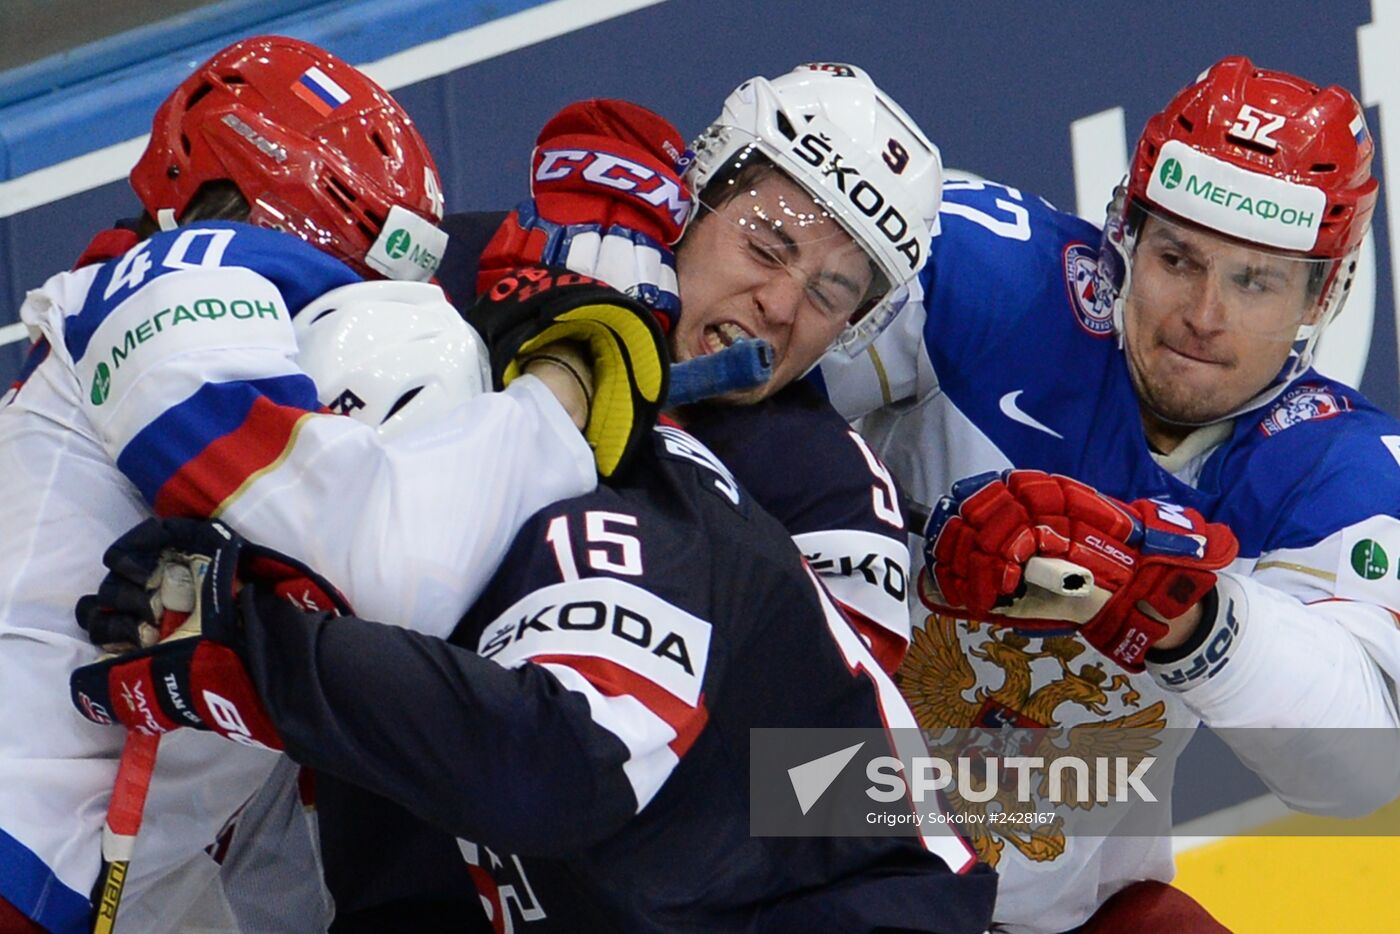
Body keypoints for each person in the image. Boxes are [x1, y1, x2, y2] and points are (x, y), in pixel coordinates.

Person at [67, 269, 998, 933]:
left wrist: (267, 659)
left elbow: (555, 765)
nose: (318, 577)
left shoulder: (614, 509)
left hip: (862, 889)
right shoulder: (387, 641)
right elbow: (411, 897)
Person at [0, 35, 663, 934]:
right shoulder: (178, 289)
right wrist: (559, 394)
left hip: (104, 867)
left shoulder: (802, 473)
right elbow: (383, 576)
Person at [817, 55, 1400, 932]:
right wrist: (907, 543)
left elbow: (1360, 771)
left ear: (1324, 294)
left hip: (1047, 907)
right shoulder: (982, 277)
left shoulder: (1337, 470)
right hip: (801, 832)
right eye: (1179, 258)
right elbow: (732, 414)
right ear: (1124, 232)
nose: (1204, 315)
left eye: (1255, 281)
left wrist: (1182, 614)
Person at [439, 63, 944, 672]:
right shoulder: (476, 269)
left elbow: (838, 766)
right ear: (692, 202)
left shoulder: (832, 494)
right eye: (763, 247)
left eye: (828, 295)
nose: (780, 307)